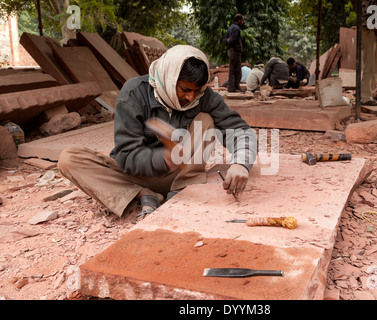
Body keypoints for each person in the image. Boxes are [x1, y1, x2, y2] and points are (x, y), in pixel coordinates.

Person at [57, 45, 258, 219]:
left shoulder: (204, 96)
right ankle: (143, 193)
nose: (190, 97)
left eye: (196, 91)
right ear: (169, 79)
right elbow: (127, 155)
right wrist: (162, 159)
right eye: (185, 89)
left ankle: (180, 191)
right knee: (69, 159)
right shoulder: (134, 93)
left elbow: (240, 130)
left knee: (205, 119)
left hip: (182, 175)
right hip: (137, 173)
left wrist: (241, 163)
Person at [352, 0, 377, 106]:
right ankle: (365, 97)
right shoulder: (368, 1)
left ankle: (363, 92)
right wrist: (376, 28)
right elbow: (366, 15)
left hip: (373, 33)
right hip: (368, 32)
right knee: (370, 66)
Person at [223, 13, 245, 93]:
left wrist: (227, 40)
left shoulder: (230, 28)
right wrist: (229, 40)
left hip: (230, 51)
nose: (243, 22)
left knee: (232, 70)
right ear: (239, 20)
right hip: (235, 52)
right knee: (237, 71)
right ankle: (236, 87)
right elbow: (233, 39)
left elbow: (224, 39)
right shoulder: (236, 28)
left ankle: (231, 88)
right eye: (242, 20)